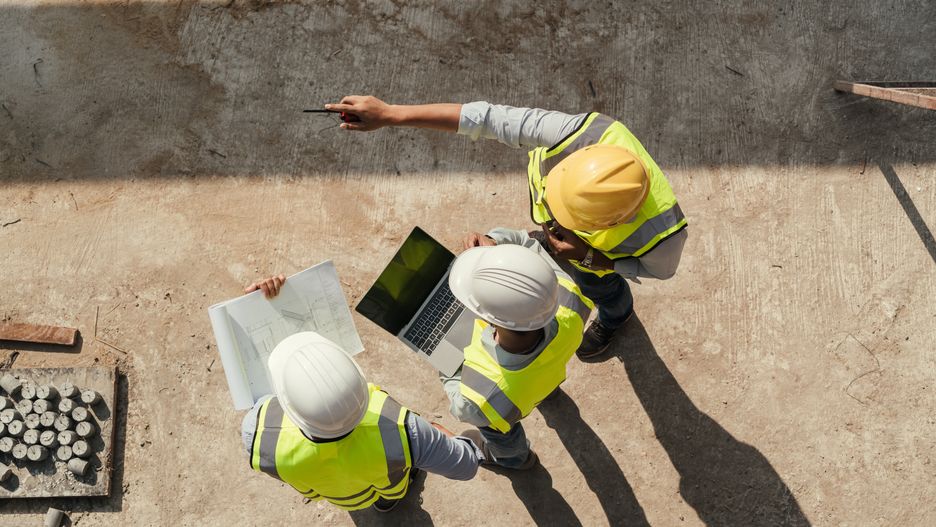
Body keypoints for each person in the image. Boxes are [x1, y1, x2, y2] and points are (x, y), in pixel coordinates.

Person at [324, 96, 688, 359]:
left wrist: (595, 259)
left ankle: (616, 316)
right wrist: (390, 114)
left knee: (604, 291)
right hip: (580, 249)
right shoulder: (580, 133)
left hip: (594, 262)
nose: (551, 220)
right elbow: (486, 118)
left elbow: (658, 272)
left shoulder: (664, 239)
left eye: (565, 217)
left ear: (611, 221)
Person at [241, 278, 484, 513]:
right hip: (388, 484)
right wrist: (433, 434)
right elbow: (466, 465)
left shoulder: (257, 433)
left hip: (338, 495)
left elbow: (258, 392)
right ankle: (388, 502)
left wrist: (257, 308)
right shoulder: (405, 430)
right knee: (391, 488)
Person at [439, 229, 594, 469]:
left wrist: (444, 362)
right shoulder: (569, 299)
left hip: (507, 403)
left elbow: (462, 408)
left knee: (500, 433)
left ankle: (515, 459)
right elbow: (528, 246)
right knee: (540, 380)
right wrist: (497, 249)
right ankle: (548, 394)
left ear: (485, 318)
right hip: (543, 375)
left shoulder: (481, 398)